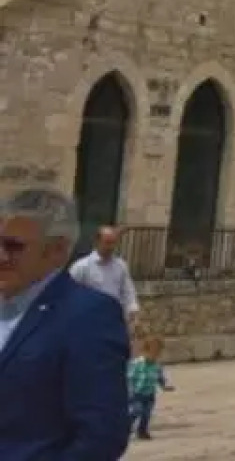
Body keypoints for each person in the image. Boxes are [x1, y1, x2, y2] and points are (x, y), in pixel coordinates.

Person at [0, 186, 131, 460]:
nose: (1, 256)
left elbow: (101, 436)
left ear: (57, 251)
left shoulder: (88, 317)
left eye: (13, 247)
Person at [68, 226, 139, 321]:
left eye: (113, 243)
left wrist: (132, 308)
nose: (111, 247)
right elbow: (69, 294)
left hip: (113, 318)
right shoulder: (81, 267)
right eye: (108, 243)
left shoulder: (121, 266)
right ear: (97, 242)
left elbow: (128, 289)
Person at [125, 334, 174, 440]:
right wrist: (129, 390)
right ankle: (125, 427)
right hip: (136, 393)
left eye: (158, 353)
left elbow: (159, 378)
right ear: (145, 351)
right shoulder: (137, 363)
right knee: (137, 410)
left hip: (150, 394)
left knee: (146, 414)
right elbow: (130, 377)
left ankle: (142, 431)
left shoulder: (156, 366)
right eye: (153, 352)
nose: (155, 355)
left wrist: (165, 386)